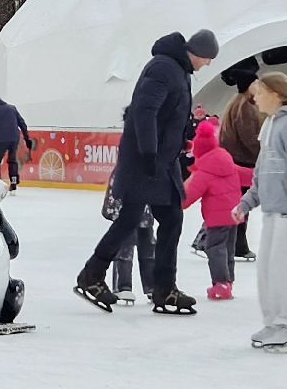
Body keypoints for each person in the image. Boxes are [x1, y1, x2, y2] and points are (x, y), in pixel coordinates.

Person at [73, 29, 218, 314]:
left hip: (161, 160)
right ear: (198, 53)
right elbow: (144, 111)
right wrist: (150, 152)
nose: (208, 64)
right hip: (147, 160)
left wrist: (182, 135)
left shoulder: (177, 70)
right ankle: (94, 276)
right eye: (208, 58)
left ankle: (161, 288)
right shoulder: (165, 67)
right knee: (132, 220)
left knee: (168, 218)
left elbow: (166, 114)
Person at [233, 71, 287, 349]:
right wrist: (247, 202)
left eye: (259, 91)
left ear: (276, 95)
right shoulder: (271, 126)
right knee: (268, 273)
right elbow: (263, 172)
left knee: (285, 273)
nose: (254, 97)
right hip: (272, 212)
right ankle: (274, 323)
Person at [182, 119, 244, 300]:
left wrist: (176, 203)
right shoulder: (227, 161)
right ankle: (228, 281)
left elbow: (190, 195)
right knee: (228, 249)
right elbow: (247, 175)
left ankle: (221, 283)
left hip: (217, 218)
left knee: (215, 248)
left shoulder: (204, 171)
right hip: (235, 214)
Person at [216, 66, 264, 262]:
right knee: (240, 204)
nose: (258, 86)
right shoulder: (244, 106)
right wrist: (265, 153)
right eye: (255, 83)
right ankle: (237, 244)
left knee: (239, 204)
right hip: (241, 162)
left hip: (239, 160)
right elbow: (250, 138)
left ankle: (237, 243)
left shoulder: (242, 103)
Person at [0, 96, 34, 191]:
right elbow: (22, 123)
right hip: (14, 138)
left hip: (0, 139)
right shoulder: (12, 108)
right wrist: (27, 138)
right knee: (12, 160)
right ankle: (13, 181)